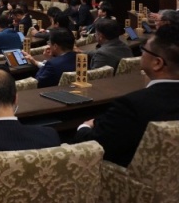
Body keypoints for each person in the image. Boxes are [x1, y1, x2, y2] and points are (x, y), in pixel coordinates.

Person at [74, 24, 179, 167]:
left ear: (157, 63)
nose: (141, 54)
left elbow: (93, 147)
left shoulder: (133, 105)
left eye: (143, 50)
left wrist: (84, 126)